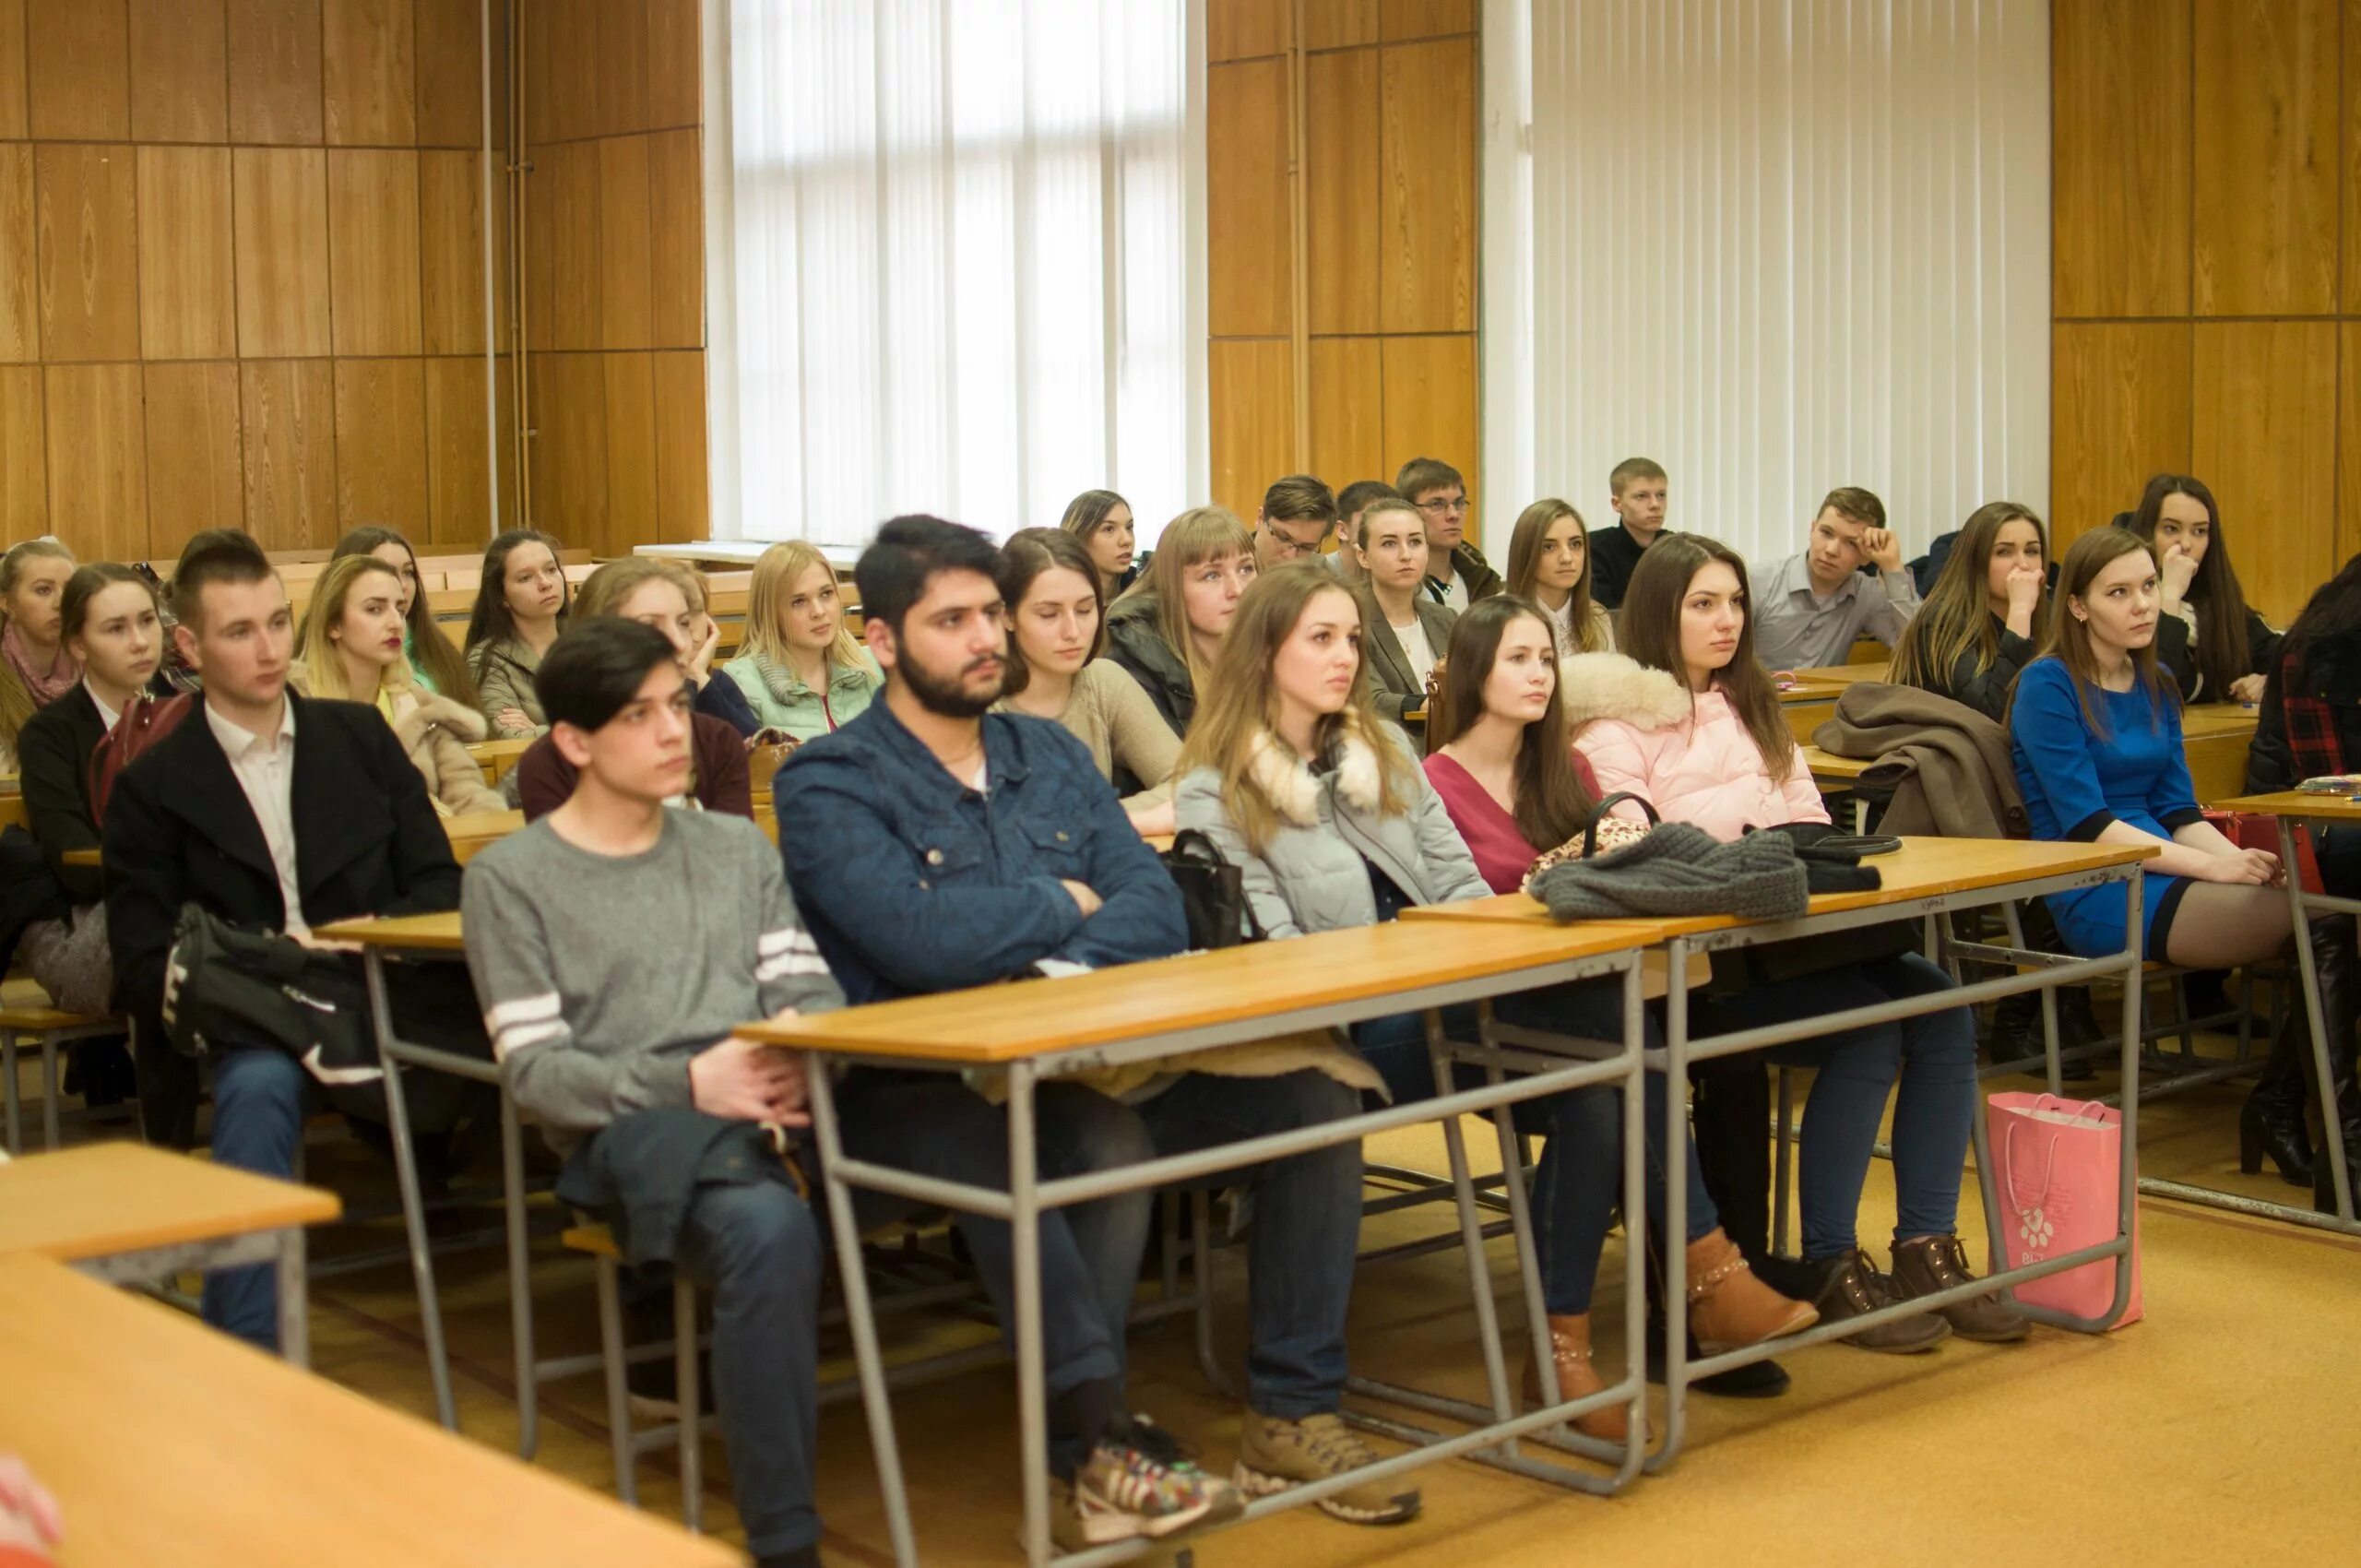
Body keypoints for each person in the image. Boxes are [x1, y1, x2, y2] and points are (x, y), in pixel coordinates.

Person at [779, 517, 1404, 1538]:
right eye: (951, 619)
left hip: (1091, 1057)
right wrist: (1065, 902)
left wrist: (1046, 956)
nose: (986, 636)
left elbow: (1152, 905)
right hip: (919, 1095)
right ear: (882, 640)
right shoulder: (829, 779)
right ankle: (1091, 1459)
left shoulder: (1046, 752)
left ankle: (1291, 1406)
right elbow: (915, 937)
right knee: (1095, 1144)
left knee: (1317, 1092)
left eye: (990, 612)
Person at [1182, 576, 1814, 1437]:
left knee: (1603, 1084)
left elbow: (1463, 892)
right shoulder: (1218, 787)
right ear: (1264, 653)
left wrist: (1462, 960)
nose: (1343, 658)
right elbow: (1280, 957)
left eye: (1351, 640)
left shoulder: (1387, 756)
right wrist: (1424, 965)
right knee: (1617, 1032)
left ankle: (1564, 1356)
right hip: (1339, 1035)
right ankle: (1706, 1275)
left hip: (1452, 1004)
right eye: (1319, 639)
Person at [1573, 533, 2020, 1349]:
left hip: (1799, 930)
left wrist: (1767, 838)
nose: (1727, 621)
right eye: (1703, 604)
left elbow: (1811, 825)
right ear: (1656, 613)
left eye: (1736, 602)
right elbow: (1639, 845)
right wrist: (1755, 834)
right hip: (1711, 962)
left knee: (1948, 1008)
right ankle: (1831, 1261)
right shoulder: (1613, 725)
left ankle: (1925, 1246)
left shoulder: (1753, 705)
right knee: (1870, 1025)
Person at [464, 619, 844, 1568]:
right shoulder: (511, 878)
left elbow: (805, 984)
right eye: (639, 715)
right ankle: (785, 1541)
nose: (675, 731)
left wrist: (795, 1044)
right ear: (574, 741)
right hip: (632, 1131)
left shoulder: (732, 847)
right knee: (768, 1228)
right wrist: (688, 1079)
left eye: (676, 704)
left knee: (1003, 1142)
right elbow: (537, 1073)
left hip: (768, 1099)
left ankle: (1086, 1435)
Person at [105, 529, 478, 1346]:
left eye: (278, 622)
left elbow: (438, 884)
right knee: (258, 1087)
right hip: (254, 1012)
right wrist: (252, 967)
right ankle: (249, 1354)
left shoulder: (359, 740)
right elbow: (138, 962)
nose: (268, 648)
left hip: (377, 992)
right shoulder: (154, 789)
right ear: (189, 645)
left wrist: (389, 931)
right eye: (239, 632)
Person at [2011, 529, 2324, 1194]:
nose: (2142, 605)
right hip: (2095, 882)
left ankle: (2288, 1104)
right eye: (2118, 592)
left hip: (2167, 857)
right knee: (2318, 920)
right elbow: (2088, 824)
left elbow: (2179, 808)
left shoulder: (2156, 681)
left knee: (2321, 910)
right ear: (2077, 606)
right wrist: (2212, 870)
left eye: (2149, 587)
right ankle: (2288, 1107)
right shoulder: (2047, 685)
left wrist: (2237, 858)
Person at [15, 566, 161, 1117]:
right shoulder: (51, 734)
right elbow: (76, 867)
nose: (141, 641)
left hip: (174, 907)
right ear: (77, 644)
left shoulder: (190, 714)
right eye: (116, 628)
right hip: (86, 922)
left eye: (147, 621)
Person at [2246, 551, 2361, 1210]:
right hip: (2306, 832)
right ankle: (2343, 1147)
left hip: (2339, 842)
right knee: (2335, 923)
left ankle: (2280, 1102)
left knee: (2338, 935)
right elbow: (2330, 793)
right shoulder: (2316, 651)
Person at [514, 561, 753, 821]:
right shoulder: (550, 763)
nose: (680, 643)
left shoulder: (717, 742)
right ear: (599, 637)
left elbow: (736, 854)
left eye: (684, 623)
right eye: (651, 626)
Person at [991, 529, 1180, 835]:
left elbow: (1189, 783)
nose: (1073, 630)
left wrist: (1106, 819)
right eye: (1049, 614)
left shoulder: (1104, 681)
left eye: (1084, 610)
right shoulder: (974, 701)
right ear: (1007, 617)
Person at [292, 555, 504, 817]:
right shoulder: (293, 708)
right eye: (374, 609)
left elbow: (472, 799)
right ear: (333, 625)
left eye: (400, 610)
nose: (395, 623)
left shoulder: (422, 711)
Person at [1887, 502, 2048, 722]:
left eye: (2032, 551)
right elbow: (1993, 716)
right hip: (1951, 752)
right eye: (2004, 552)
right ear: (1975, 561)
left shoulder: (2047, 618)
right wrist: (2020, 611)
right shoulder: (1940, 622)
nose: (2023, 564)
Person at [1103, 507, 1258, 736]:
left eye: (1246, 569)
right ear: (1173, 588)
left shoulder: (1271, 653)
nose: (1238, 589)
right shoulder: (1134, 674)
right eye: (1212, 575)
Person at [2127, 474, 2280, 706]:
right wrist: (2169, 594)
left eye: (2199, 532)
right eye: (2171, 529)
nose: (2186, 544)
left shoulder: (2220, 602)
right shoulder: (2123, 601)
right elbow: (2153, 686)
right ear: (2148, 532)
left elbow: (2288, 658)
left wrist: (2269, 681)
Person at [719, 541, 880, 741]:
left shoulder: (874, 665)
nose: (819, 611)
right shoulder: (742, 684)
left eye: (826, 593)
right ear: (770, 613)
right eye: (799, 602)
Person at [1750, 486, 1920, 672]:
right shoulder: (1758, 581)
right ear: (1812, 529)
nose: (1831, 550)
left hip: (1824, 700)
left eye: (1850, 543)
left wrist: (1893, 567)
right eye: (1826, 532)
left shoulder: (1867, 594)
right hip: (1754, 700)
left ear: (1866, 556)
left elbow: (1919, 647)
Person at [330, 525, 477, 705]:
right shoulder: (315, 681)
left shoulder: (439, 650)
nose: (402, 584)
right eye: (386, 571)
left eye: (408, 573)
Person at [1347, 497, 1456, 735]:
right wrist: (1429, 705)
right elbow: (1372, 700)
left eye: (1415, 541)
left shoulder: (1446, 619)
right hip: (1389, 757)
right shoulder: (1350, 621)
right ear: (1363, 556)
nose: (1406, 555)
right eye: (1389, 544)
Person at [464, 529, 571, 738]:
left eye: (550, 570)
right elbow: (510, 737)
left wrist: (536, 730)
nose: (545, 583)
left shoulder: (591, 641)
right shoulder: (486, 660)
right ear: (502, 596)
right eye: (525, 578)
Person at [0, 539, 78, 774]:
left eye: (71, 590)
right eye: (43, 590)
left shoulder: (96, 665)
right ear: (8, 604)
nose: (60, 603)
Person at [1504, 498, 1615, 655]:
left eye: (1575, 544)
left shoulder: (1597, 618)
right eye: (1549, 547)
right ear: (1525, 553)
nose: (1567, 558)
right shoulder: (1496, 619)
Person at [1396, 457, 1499, 609]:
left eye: (1459, 503)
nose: (1453, 515)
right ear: (1408, 510)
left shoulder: (1482, 581)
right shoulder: (1395, 581)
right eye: (1437, 504)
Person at [1588, 457, 1667, 611]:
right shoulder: (1595, 549)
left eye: (1661, 495)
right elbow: (1605, 615)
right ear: (1617, 504)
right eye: (1641, 496)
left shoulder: (1677, 547)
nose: (1655, 505)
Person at [1061, 489, 1141, 598]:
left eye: (1129, 527)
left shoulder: (1141, 591)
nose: (1127, 540)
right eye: (1109, 529)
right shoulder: (1057, 594)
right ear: (1079, 537)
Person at [1253, 474, 1339, 571]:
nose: (1291, 557)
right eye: (1283, 538)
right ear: (1260, 519)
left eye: (1306, 547)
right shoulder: (1234, 567)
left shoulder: (1322, 573)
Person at [1328, 480, 1397, 586]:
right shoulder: (1316, 575)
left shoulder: (1402, 575)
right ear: (1342, 530)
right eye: (1371, 519)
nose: (1386, 530)